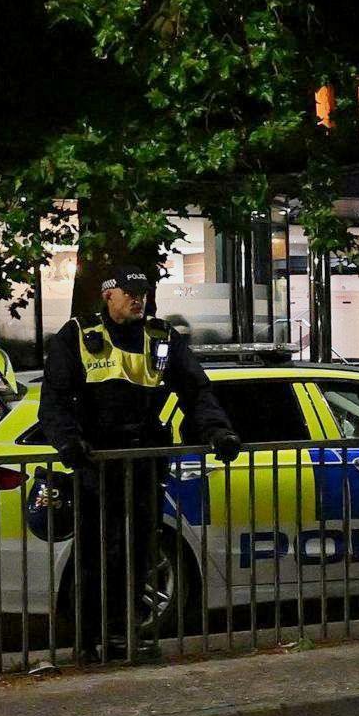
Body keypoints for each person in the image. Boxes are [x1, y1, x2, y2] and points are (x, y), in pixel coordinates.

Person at [39, 265, 240, 663]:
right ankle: (87, 640)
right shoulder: (79, 336)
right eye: (129, 293)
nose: (137, 299)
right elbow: (55, 401)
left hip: (145, 460)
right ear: (107, 295)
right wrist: (69, 443)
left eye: (143, 293)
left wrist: (218, 431)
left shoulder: (161, 338)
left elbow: (196, 391)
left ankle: (123, 633)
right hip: (97, 462)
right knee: (97, 553)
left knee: (139, 554)